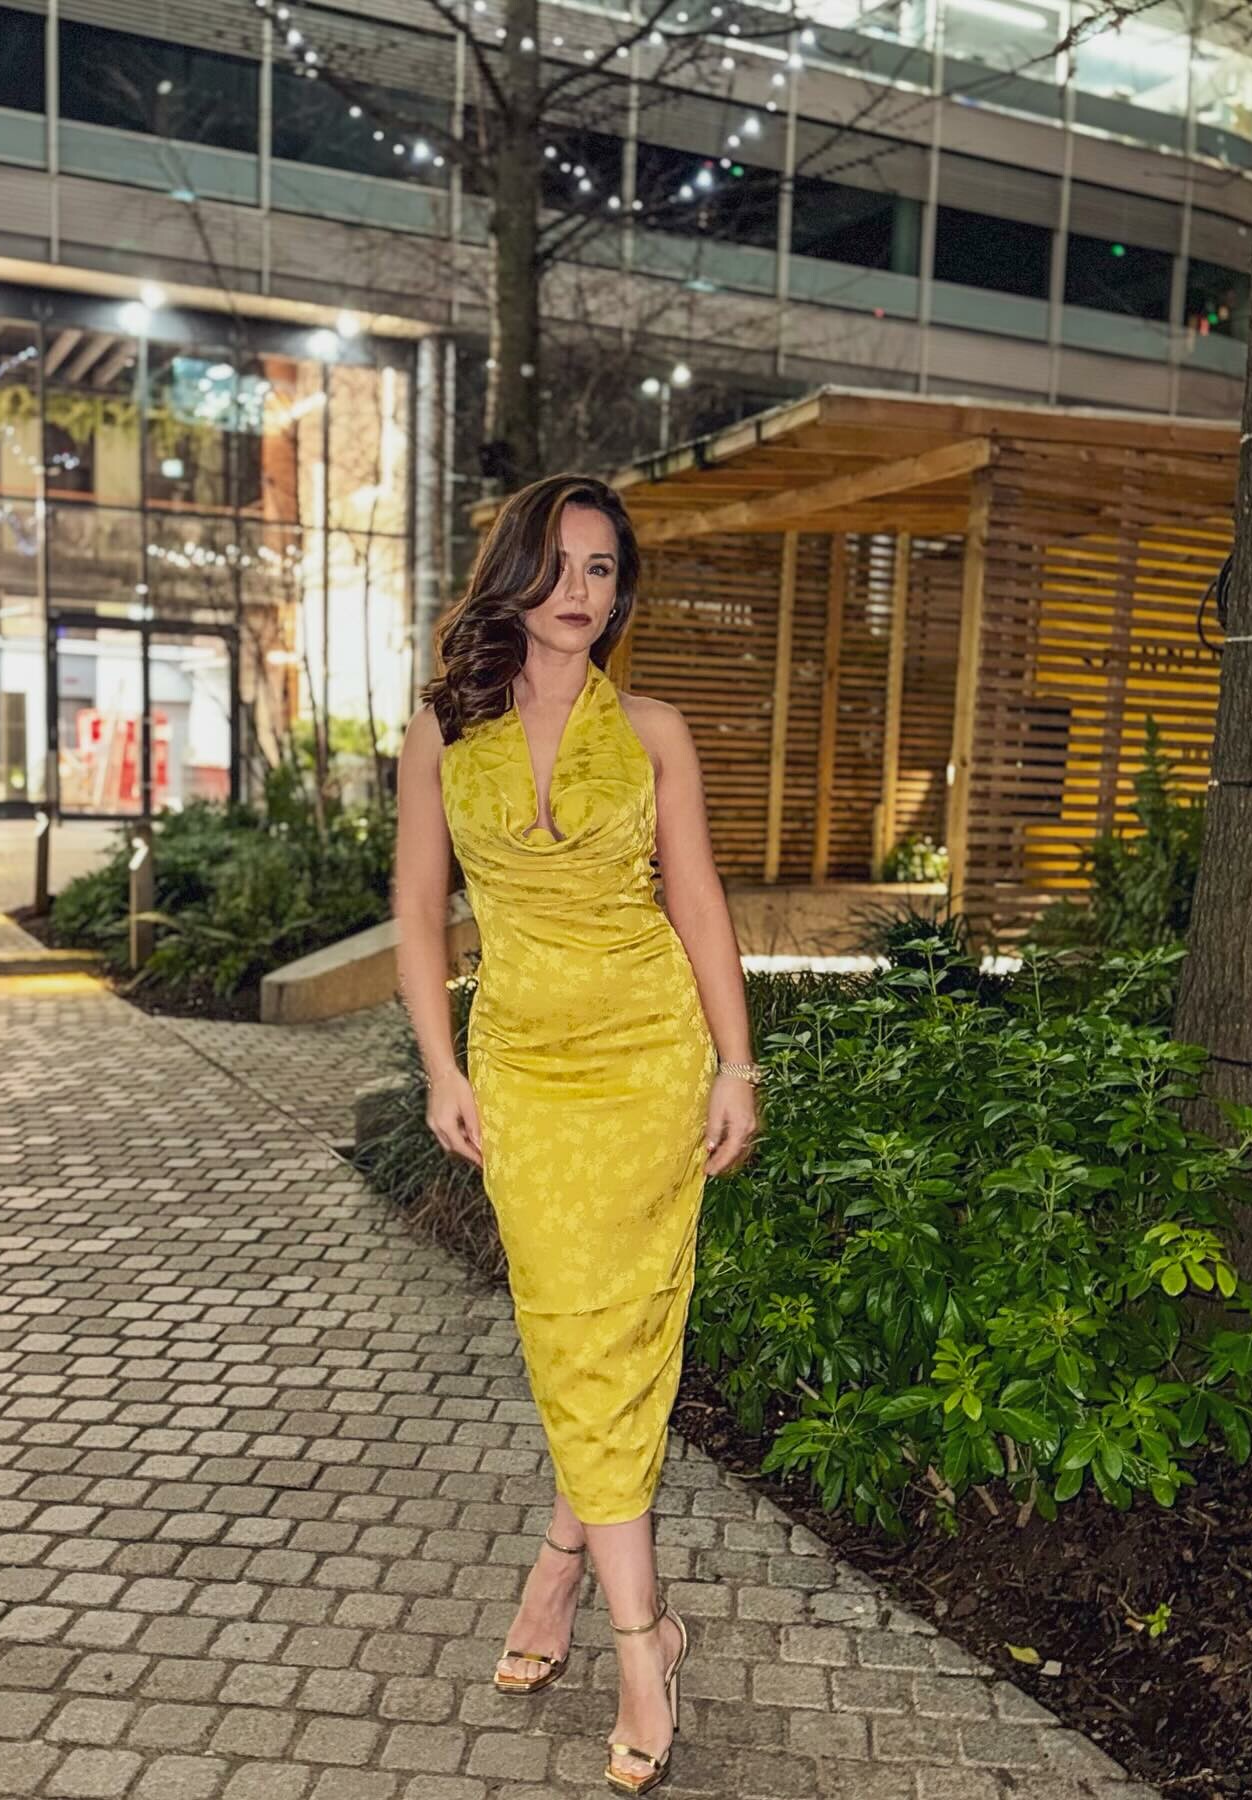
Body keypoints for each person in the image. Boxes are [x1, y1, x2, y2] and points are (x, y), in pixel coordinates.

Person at [394, 472, 761, 1795]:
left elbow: (699, 902)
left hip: (650, 1060)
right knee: (574, 1331)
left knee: (606, 1337)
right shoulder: (443, 730)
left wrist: (737, 1064)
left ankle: (622, 1631)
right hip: (527, 1073)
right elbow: (418, 910)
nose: (578, 589)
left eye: (602, 569)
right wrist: (440, 1068)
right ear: (514, 570)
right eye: (557, 562)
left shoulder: (655, 730)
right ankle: (603, 1595)